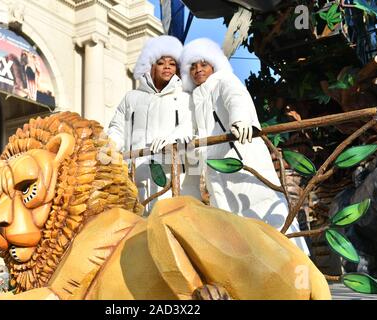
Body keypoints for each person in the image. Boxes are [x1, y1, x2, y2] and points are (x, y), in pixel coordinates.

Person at [180, 38, 308, 253]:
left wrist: (239, 120)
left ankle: (295, 263)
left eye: (203, 64)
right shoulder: (195, 99)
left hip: (241, 158)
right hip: (218, 170)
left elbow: (235, 98)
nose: (198, 70)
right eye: (193, 67)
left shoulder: (223, 80)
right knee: (233, 224)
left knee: (264, 212)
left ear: (213, 65)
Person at [107, 35, 200, 213]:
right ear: (151, 66)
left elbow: (191, 126)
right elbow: (117, 128)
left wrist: (172, 138)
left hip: (171, 174)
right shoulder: (131, 97)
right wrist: (111, 144)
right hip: (135, 176)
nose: (166, 67)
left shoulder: (185, 98)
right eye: (161, 62)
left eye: (172, 63)